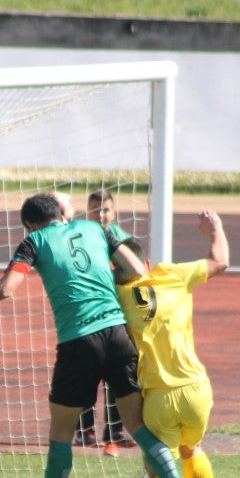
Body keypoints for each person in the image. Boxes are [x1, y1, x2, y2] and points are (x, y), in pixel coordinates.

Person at [0, 192, 198, 478]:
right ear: (61, 213)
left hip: (79, 343)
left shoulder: (33, 241)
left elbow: (6, 289)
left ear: (30, 224)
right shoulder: (95, 228)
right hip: (119, 335)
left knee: (61, 432)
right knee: (136, 424)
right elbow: (137, 268)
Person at [115, 212, 229, 478]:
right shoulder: (171, 274)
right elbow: (220, 261)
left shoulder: (116, 295)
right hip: (197, 389)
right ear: (146, 263)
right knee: (192, 450)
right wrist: (216, 230)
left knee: (154, 467)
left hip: (158, 398)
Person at [76, 188, 138, 456]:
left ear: (114, 213)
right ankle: (85, 428)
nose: (100, 214)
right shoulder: (78, 237)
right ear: (87, 212)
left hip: (118, 313)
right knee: (86, 372)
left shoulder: (124, 240)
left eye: (105, 209)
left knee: (119, 373)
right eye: (95, 209)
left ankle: (115, 429)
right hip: (86, 314)